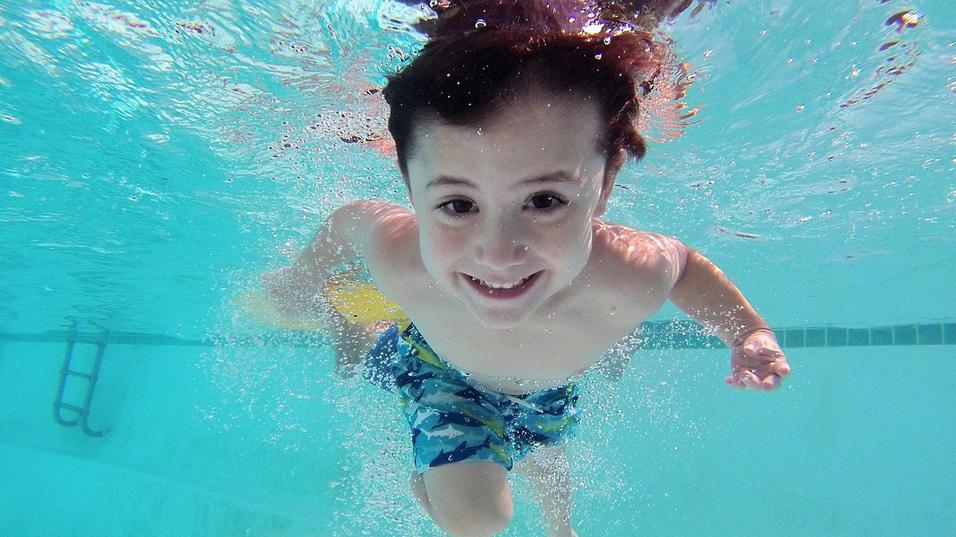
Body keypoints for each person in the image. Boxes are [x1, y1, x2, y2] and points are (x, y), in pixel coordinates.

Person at [262, 2, 791, 536]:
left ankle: (561, 529)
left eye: (543, 200)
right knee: (478, 520)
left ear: (604, 185)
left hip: (547, 389)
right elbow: (351, 221)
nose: (497, 254)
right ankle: (357, 332)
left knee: (545, 455)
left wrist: (747, 330)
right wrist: (302, 278)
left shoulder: (630, 272)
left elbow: (682, 267)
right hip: (440, 373)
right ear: (411, 189)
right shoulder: (401, 257)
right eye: (458, 205)